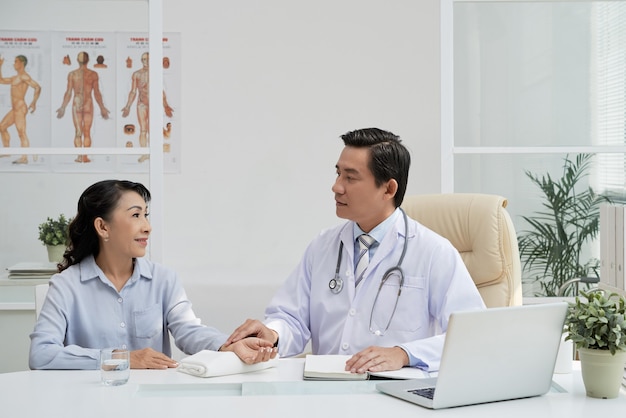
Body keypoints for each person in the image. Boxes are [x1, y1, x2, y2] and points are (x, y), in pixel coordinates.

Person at [225, 128, 485, 374]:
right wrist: (274, 334)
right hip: (326, 390)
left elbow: (472, 334)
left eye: (350, 177)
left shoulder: (433, 251)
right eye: (338, 174)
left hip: (395, 396)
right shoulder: (322, 246)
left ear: (388, 188)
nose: (337, 187)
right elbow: (291, 317)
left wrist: (404, 353)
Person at [30, 180, 277, 370]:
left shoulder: (163, 280)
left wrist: (228, 345)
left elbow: (189, 331)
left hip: (153, 402)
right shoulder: (66, 286)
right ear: (103, 227)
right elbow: (41, 353)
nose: (147, 226)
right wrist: (121, 359)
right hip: (89, 403)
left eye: (145, 215)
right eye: (136, 215)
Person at [56, 51, 110, 163]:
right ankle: (84, 156)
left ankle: (80, 156)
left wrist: (63, 107)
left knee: (78, 131)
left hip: (77, 103)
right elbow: (96, 93)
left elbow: (69, 92)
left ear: (77, 60)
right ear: (88, 60)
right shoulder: (93, 74)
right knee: (86, 132)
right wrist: (102, 107)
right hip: (88, 104)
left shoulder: (72, 74)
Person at [121, 52, 174, 163]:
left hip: (154, 103)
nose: (146, 61)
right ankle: (145, 153)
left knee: (153, 130)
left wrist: (166, 106)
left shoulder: (156, 73)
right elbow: (133, 91)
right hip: (142, 103)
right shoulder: (136, 74)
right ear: (142, 60)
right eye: (144, 59)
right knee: (143, 130)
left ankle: (154, 154)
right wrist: (127, 106)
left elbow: (161, 91)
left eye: (148, 59)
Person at [0, 55, 41, 164]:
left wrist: (34, 102)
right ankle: (7, 151)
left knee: (21, 133)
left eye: (16, 61)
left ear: (22, 63)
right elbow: (1, 80)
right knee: (2, 126)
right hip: (14, 109)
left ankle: (24, 158)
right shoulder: (15, 77)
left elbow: (37, 87)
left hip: (20, 108)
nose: (14, 63)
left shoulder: (24, 77)